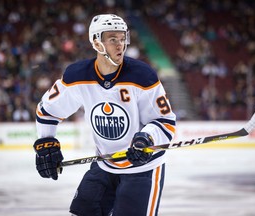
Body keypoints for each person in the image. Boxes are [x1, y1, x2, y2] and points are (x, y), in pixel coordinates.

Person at [33, 14, 176, 216]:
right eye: (112, 39)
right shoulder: (77, 76)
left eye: (122, 38)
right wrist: (46, 143)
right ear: (97, 43)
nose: (120, 45)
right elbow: (48, 111)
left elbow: (165, 121)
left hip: (143, 169)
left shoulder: (142, 76)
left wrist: (147, 138)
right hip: (105, 165)